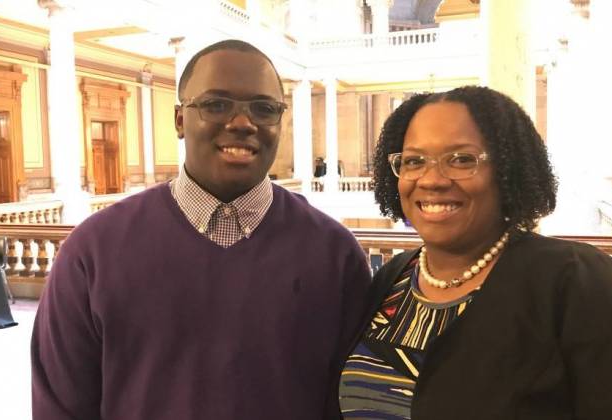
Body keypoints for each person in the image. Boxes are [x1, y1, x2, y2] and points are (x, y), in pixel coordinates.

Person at [31, 39, 371, 420]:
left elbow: (349, 405)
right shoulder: (93, 252)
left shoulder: (334, 255)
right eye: (216, 104)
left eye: (263, 108)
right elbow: (61, 406)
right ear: (179, 119)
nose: (242, 123)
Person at [338, 86, 612, 419]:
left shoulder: (580, 283)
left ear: (507, 170)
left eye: (461, 159)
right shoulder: (393, 280)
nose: (432, 179)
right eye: (414, 161)